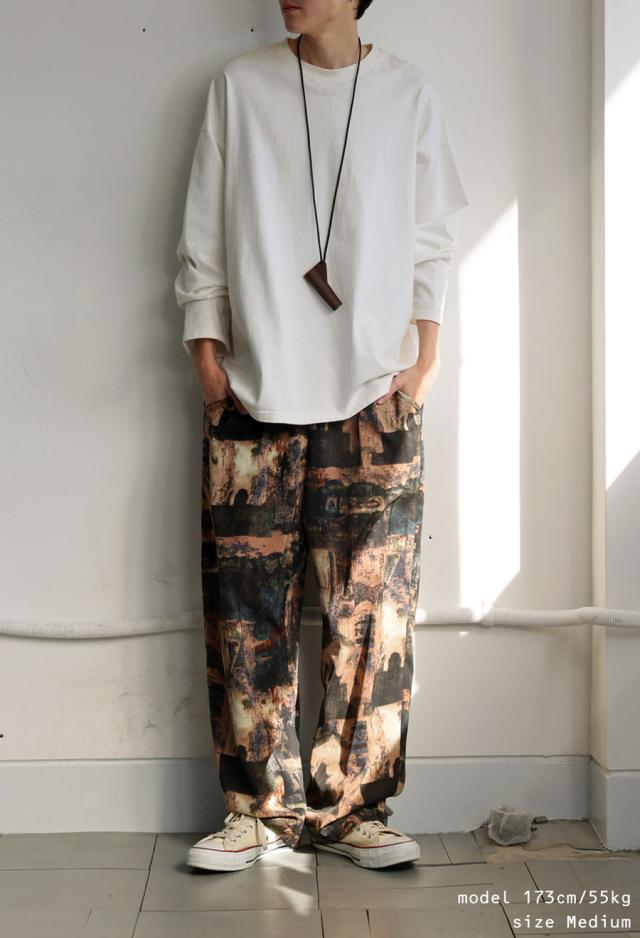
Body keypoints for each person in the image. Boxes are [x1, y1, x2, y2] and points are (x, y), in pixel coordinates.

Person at [174, 0, 469, 872]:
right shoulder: (240, 87)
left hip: (376, 391)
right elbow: (203, 232)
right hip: (253, 390)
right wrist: (206, 355)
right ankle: (258, 814)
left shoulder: (408, 94)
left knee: (372, 613)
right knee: (247, 613)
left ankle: (353, 809)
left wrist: (426, 359)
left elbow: (433, 240)